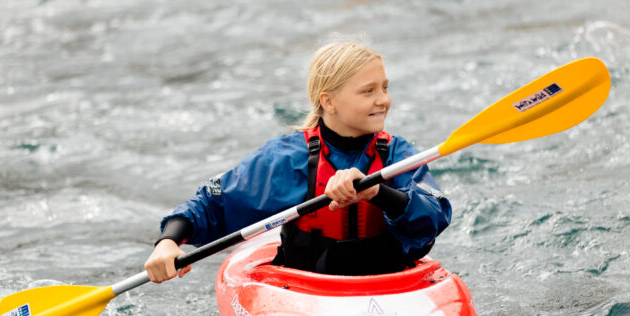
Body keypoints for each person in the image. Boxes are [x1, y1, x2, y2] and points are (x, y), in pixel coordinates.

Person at [144, 39, 451, 282]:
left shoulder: (398, 155)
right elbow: (210, 205)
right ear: (328, 102)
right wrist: (168, 242)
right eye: (368, 91)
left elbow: (434, 217)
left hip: (390, 283)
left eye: (384, 88)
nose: (383, 99)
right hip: (306, 288)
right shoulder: (287, 158)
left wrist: (377, 192)